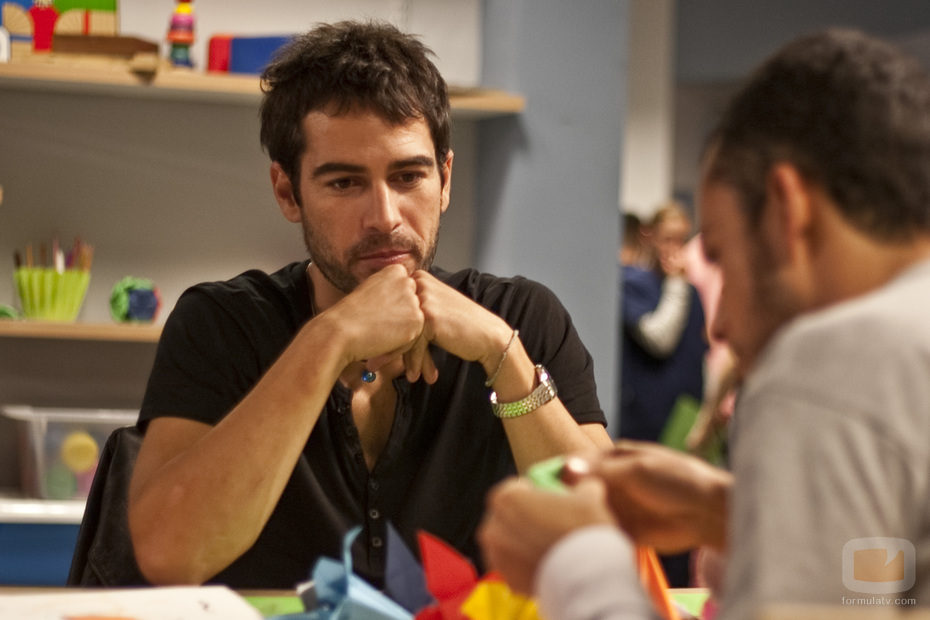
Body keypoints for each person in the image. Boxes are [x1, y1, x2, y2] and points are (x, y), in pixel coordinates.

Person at [126, 20, 611, 588]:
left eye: (408, 176)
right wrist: (329, 339)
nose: (384, 216)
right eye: (344, 183)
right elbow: (170, 555)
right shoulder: (222, 323)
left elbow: (610, 543)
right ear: (287, 192)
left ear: (445, 179)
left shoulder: (521, 318)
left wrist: (504, 357)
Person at [479, 28, 930, 618]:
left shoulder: (832, 361)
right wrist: (739, 513)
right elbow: (888, 585)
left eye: (719, 255)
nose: (719, 327)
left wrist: (578, 556)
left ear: (787, 209)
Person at [619, 202, 707, 445]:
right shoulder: (631, 283)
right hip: (642, 420)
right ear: (649, 236)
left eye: (681, 240)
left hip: (684, 417)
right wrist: (676, 284)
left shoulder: (692, 292)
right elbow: (660, 341)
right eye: (667, 239)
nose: (674, 249)